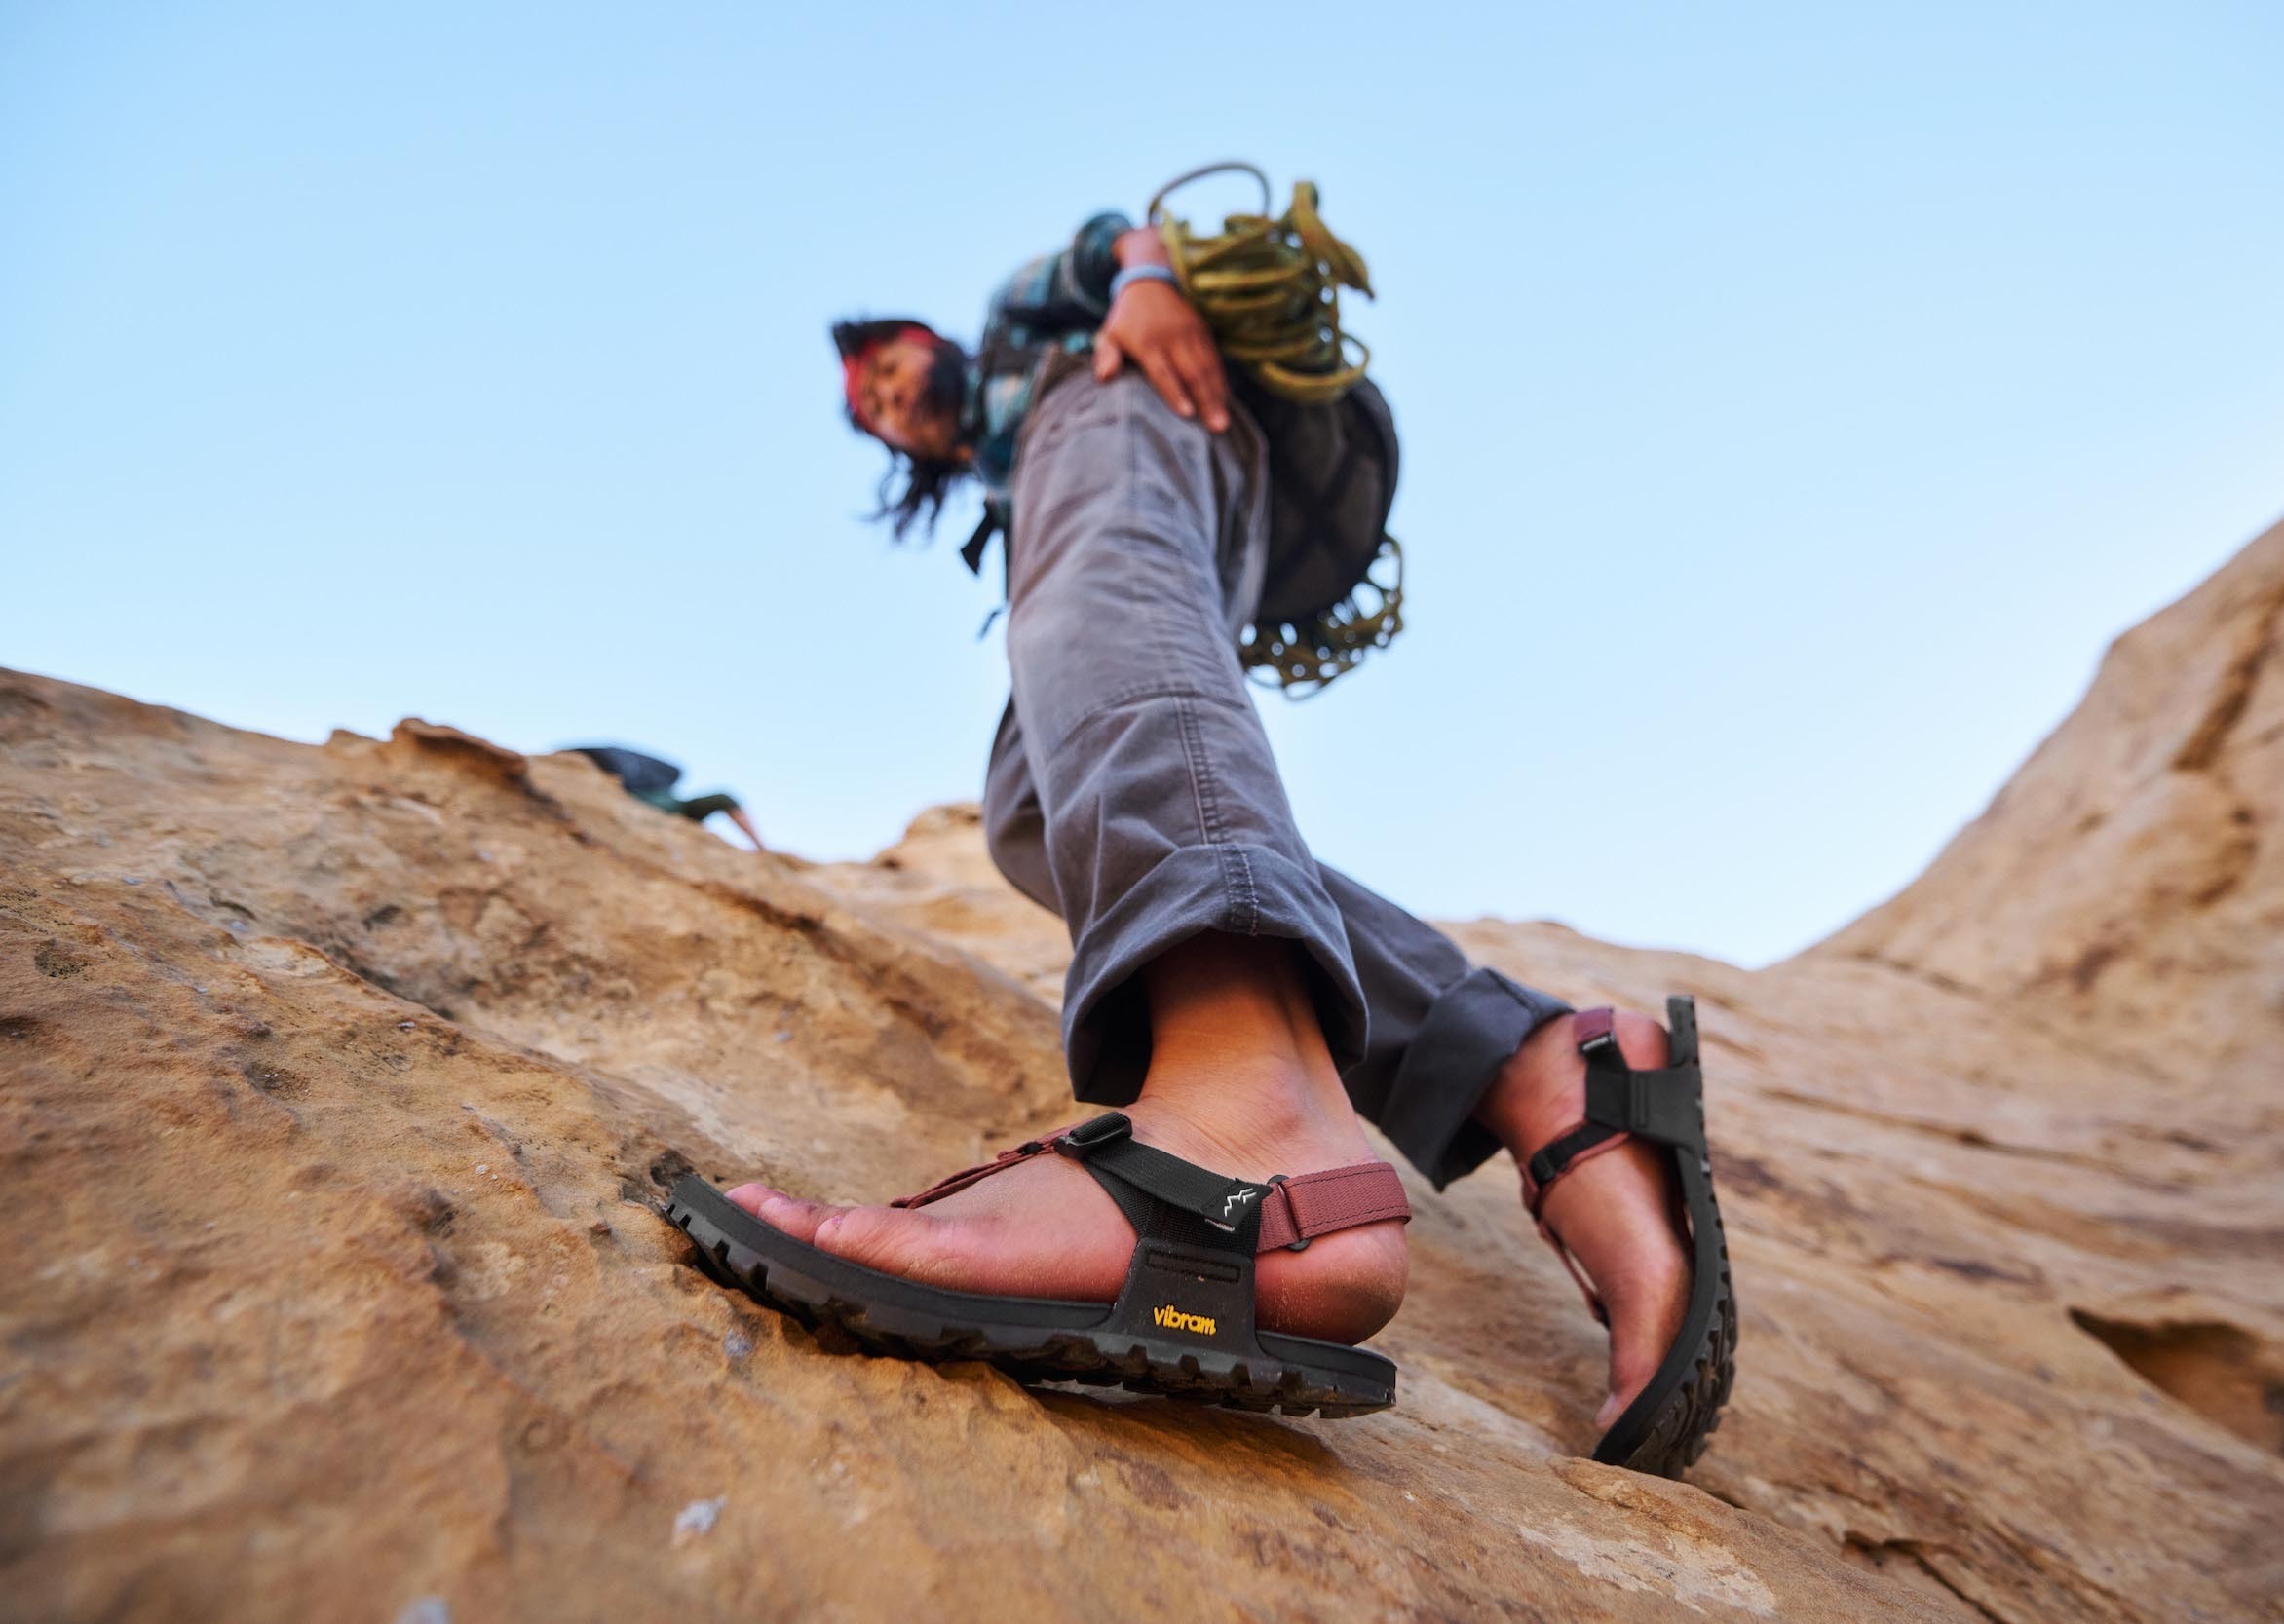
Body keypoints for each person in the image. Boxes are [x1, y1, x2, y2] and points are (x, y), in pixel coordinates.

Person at [676, 204, 1733, 1473]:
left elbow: (1120, 228)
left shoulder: (1034, 338)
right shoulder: (1001, 472)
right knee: (1032, 810)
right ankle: (1529, 1056)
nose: (897, 403)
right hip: (1158, 472)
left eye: (893, 373)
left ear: (927, 341)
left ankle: (1251, 1109)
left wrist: (1144, 283)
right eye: (879, 414)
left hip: (1120, 409)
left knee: (1099, 593)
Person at [573, 744, 768, 852]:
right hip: (649, 807)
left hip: (676, 807)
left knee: (723, 797)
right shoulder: (619, 777)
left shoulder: (656, 779)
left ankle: (759, 844)